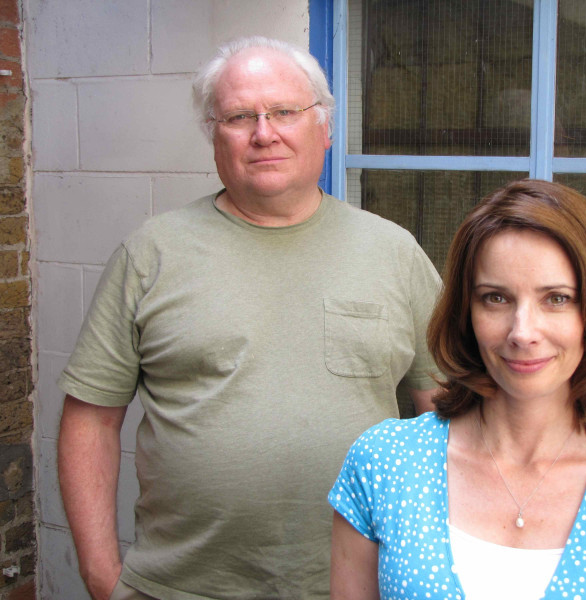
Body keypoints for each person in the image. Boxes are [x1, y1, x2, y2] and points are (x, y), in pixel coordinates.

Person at [57, 37, 441, 600]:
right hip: (178, 587)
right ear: (215, 136)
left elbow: (449, 412)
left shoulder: (393, 252)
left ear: (324, 129)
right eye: (240, 116)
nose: (265, 133)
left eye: (285, 111)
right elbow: (89, 420)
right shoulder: (151, 254)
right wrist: (101, 577)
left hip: (357, 585)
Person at [329, 179, 586, 600]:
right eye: (496, 298)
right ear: (467, 313)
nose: (523, 332)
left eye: (556, 299)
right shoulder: (385, 463)